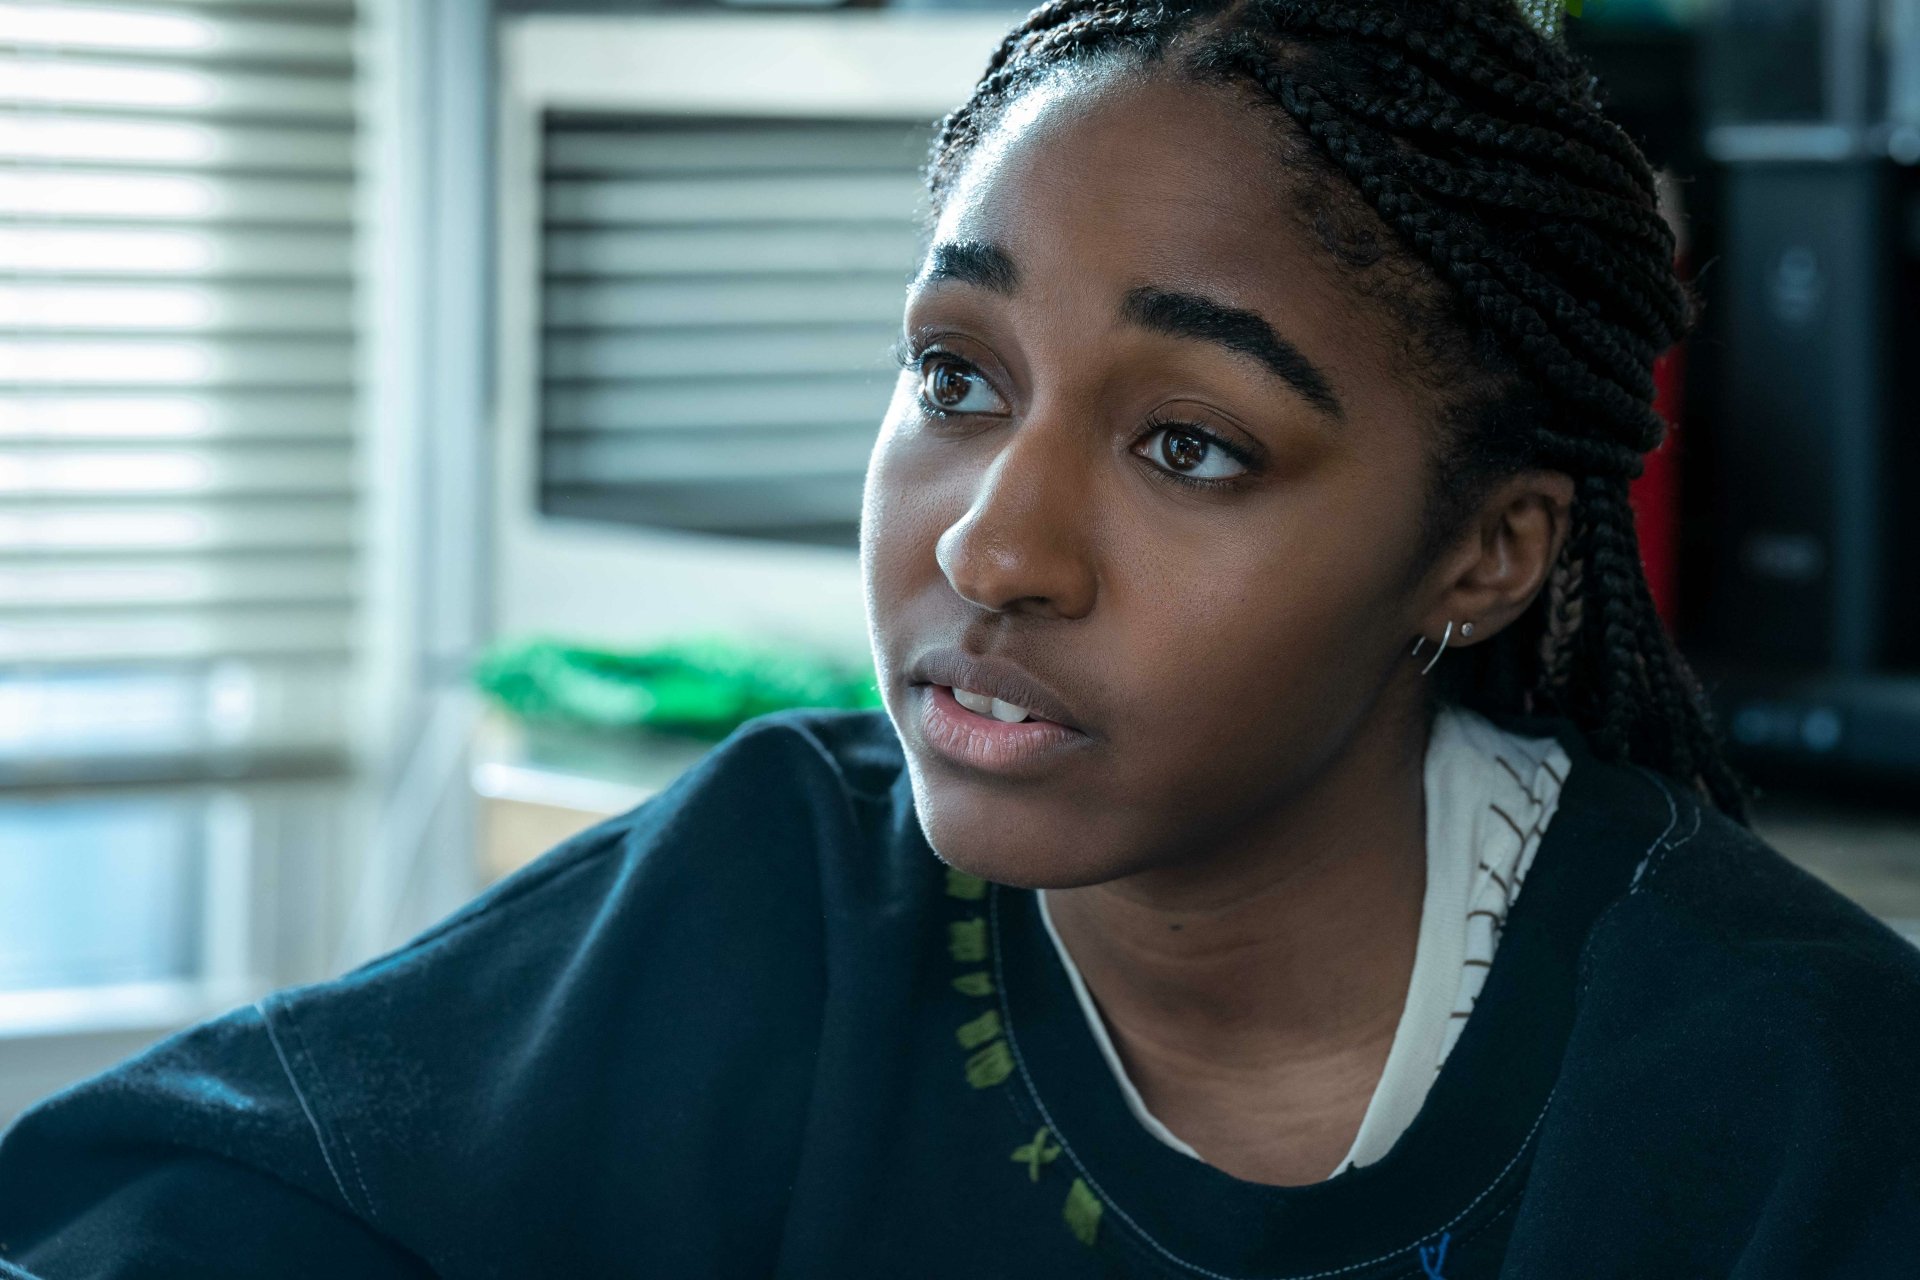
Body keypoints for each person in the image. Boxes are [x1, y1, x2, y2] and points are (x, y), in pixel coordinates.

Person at [4, 1, 1917, 1276]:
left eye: (1192, 443)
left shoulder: (1802, 1106)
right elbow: (148, 1210)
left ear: (1483, 556)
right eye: (957, 374)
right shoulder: (772, 893)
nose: (995, 543)